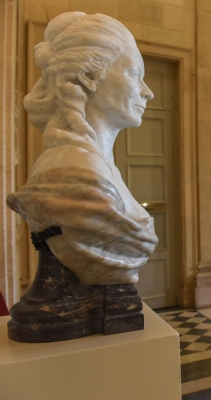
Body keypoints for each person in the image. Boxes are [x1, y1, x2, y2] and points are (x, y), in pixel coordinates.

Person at [6, 12, 158, 285]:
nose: (147, 91)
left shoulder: (94, 166)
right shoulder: (75, 174)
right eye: (134, 74)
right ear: (89, 76)